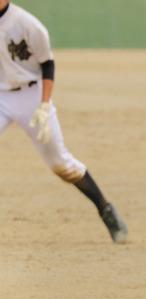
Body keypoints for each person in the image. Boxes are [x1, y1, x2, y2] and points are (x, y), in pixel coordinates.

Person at [0, 0, 128, 243]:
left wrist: (45, 106)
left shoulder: (27, 24)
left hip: (32, 96)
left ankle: (105, 209)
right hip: (1, 96)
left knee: (62, 165)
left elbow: (48, 65)